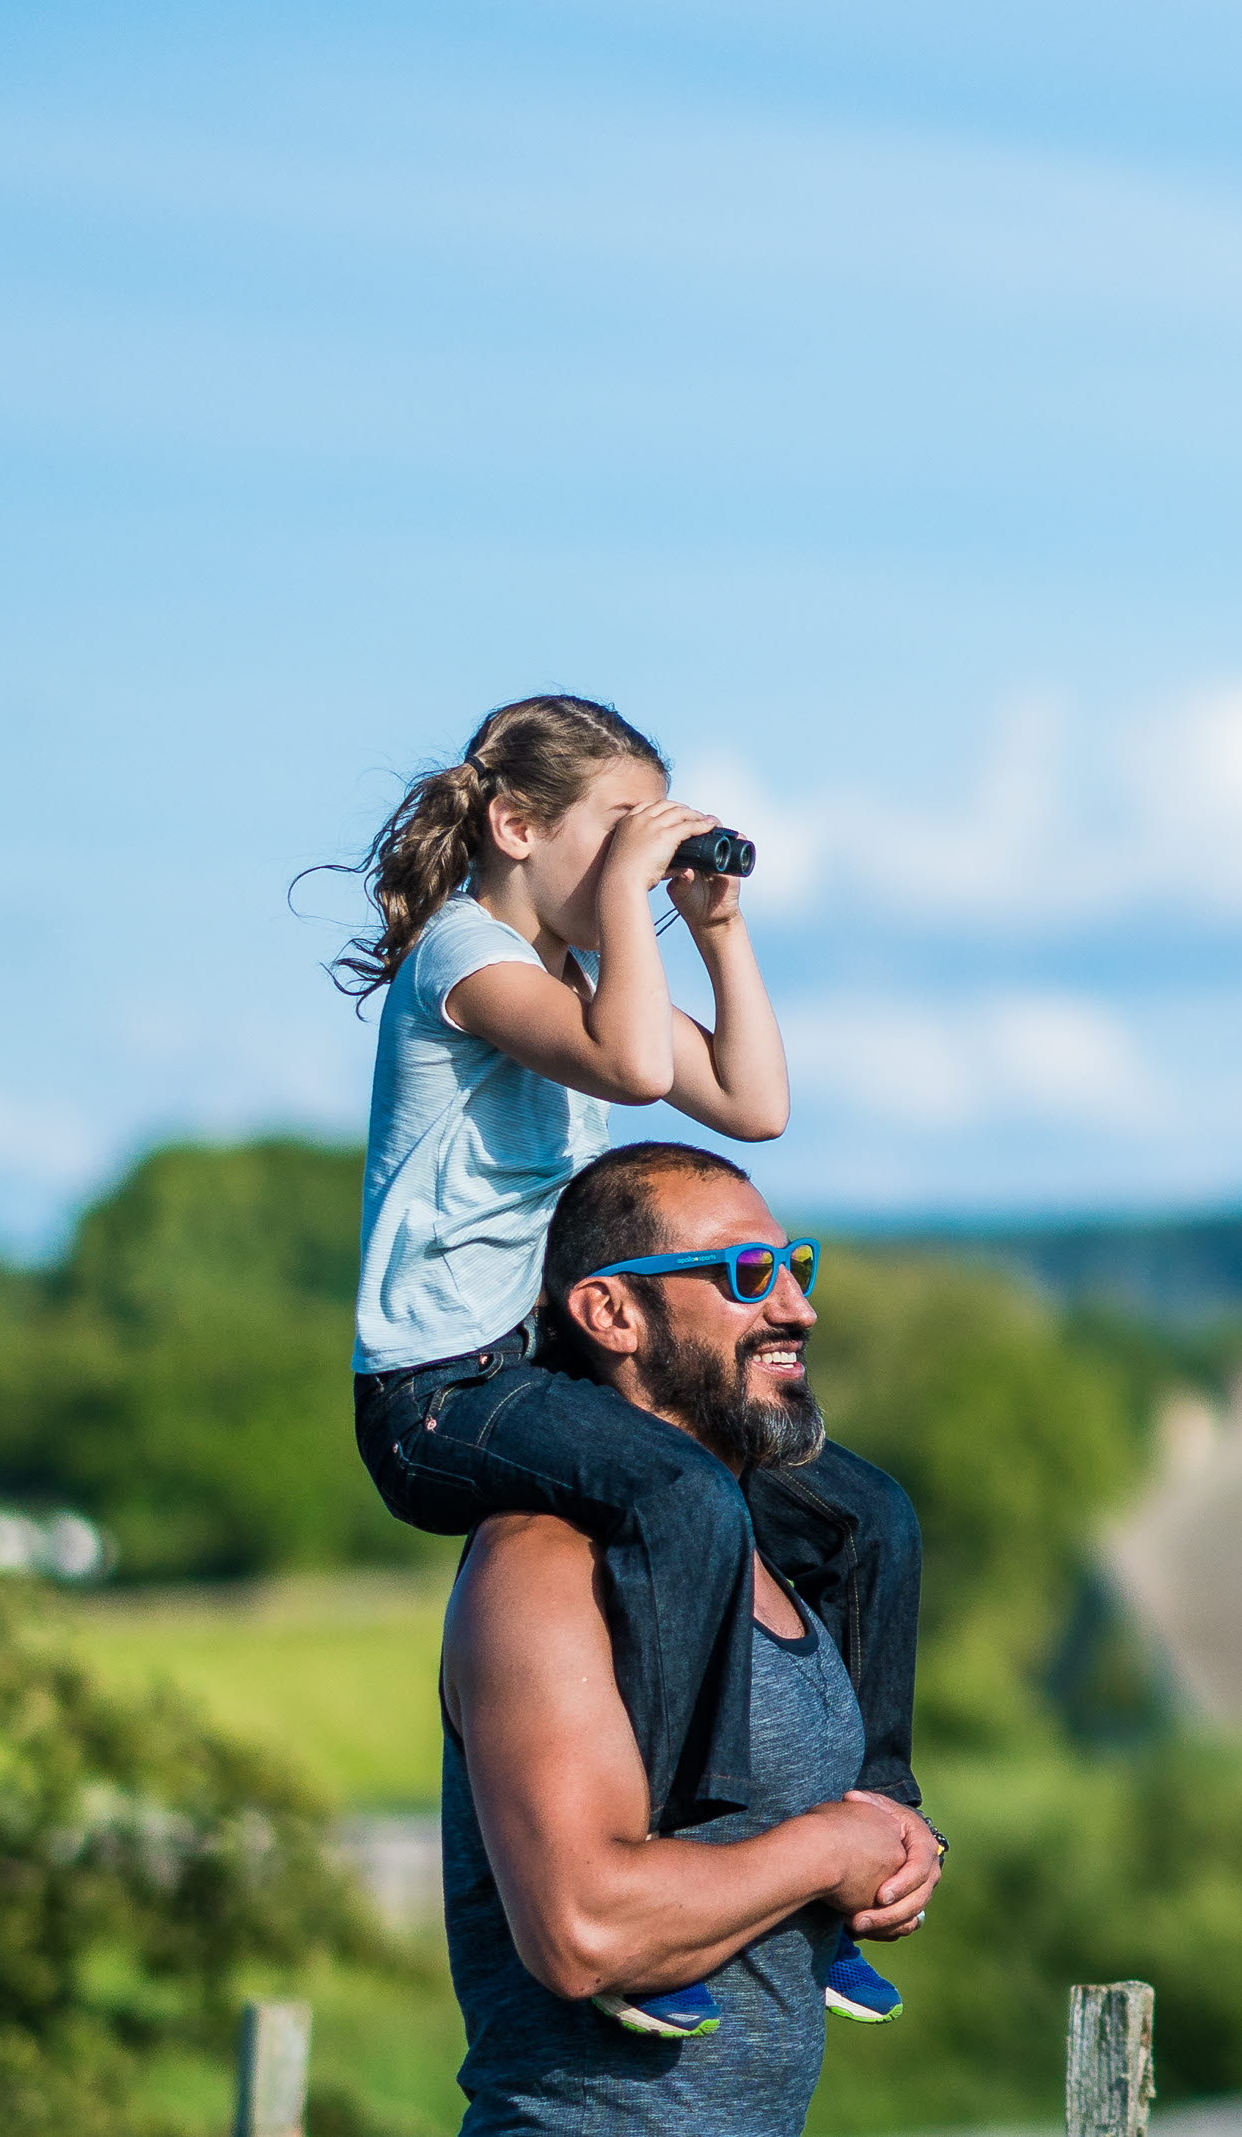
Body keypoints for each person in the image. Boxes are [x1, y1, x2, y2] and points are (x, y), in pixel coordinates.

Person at [332, 695, 920, 2032]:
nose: (628, 867)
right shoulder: (462, 960)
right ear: (514, 824)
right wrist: (631, 901)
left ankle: (871, 1823)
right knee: (678, 1494)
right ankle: (680, 1845)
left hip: (537, 1368)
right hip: (442, 1391)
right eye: (611, 831)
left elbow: (755, 1105)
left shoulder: (578, 983)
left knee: (861, 1510)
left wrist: (717, 925)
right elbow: (634, 1059)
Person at [442, 1144, 943, 2137]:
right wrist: (826, 1848)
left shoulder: (770, 1558)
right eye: (743, 1274)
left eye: (795, 1266)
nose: (795, 1306)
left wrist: (898, 1850)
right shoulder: (543, 1563)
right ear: (611, 1313)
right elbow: (585, 1927)